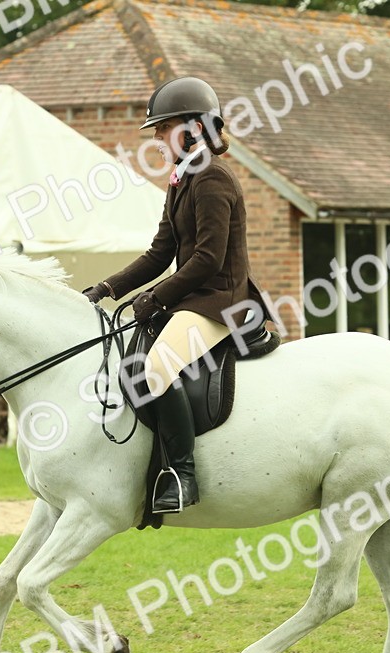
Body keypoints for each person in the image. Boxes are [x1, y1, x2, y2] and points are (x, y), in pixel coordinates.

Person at [82, 76, 269, 514]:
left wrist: (155, 298)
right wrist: (106, 289)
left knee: (158, 366)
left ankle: (183, 475)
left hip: (220, 302)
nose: (160, 141)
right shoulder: (182, 179)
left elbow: (207, 259)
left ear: (192, 128)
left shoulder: (213, 179)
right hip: (194, 298)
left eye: (163, 130)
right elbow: (159, 253)